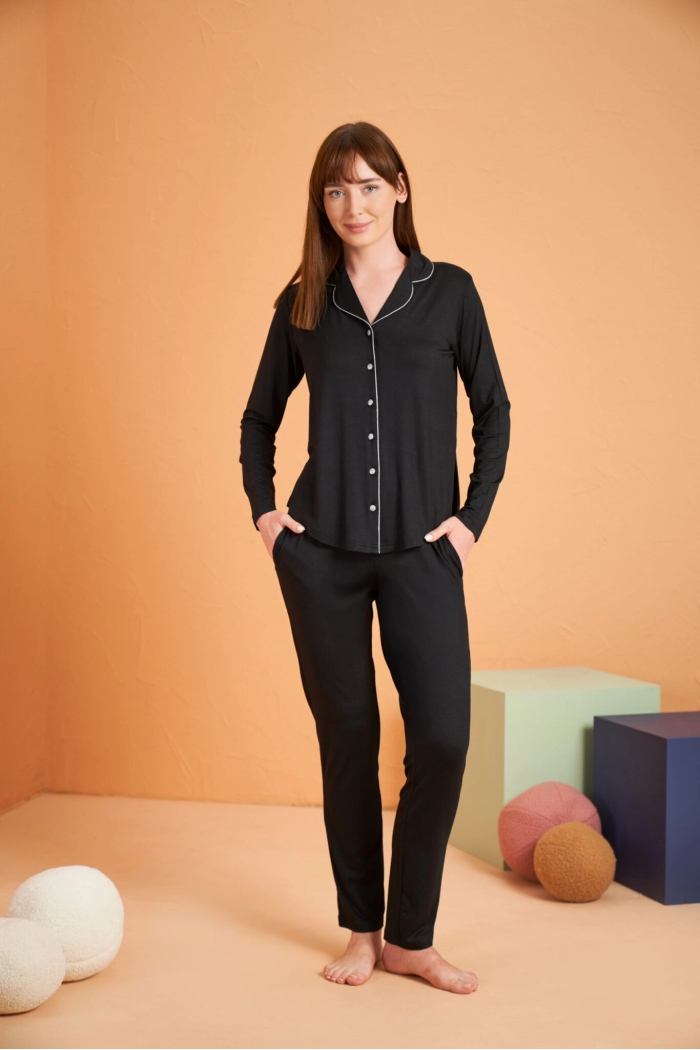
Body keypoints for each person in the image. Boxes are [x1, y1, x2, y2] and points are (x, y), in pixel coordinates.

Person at [239, 121, 511, 994]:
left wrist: (468, 522)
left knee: (442, 739)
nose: (351, 204)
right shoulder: (303, 301)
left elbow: (495, 410)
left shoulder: (449, 291)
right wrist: (267, 517)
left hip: (423, 553)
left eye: (366, 185)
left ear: (399, 189)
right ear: (320, 202)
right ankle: (363, 931)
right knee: (348, 740)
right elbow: (258, 417)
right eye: (334, 189)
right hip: (320, 555)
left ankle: (411, 938)